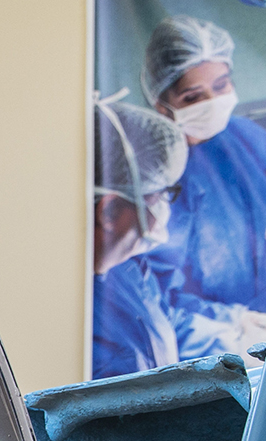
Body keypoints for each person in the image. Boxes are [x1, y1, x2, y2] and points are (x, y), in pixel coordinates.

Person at [141, 15, 266, 321]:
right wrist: (231, 322)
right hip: (195, 329)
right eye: (193, 96)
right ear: (161, 103)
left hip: (258, 305)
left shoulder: (249, 138)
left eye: (221, 85)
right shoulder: (152, 171)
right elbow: (152, 286)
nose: (214, 102)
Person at [92, 98, 188, 379]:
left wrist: (237, 330)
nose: (163, 212)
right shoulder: (68, 313)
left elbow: (162, 327)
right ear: (109, 211)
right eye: (159, 196)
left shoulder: (126, 271)